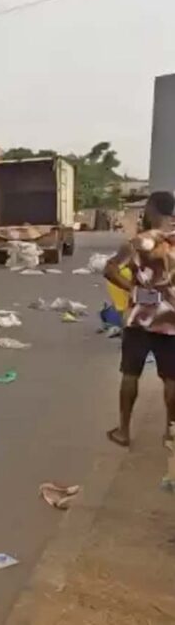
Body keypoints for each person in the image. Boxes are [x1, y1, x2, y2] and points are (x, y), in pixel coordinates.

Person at [104, 191, 175, 447]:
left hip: (139, 318)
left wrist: (134, 290)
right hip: (170, 319)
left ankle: (123, 431)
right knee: (171, 378)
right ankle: (171, 431)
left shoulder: (137, 243)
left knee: (130, 374)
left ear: (152, 210)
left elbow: (110, 269)